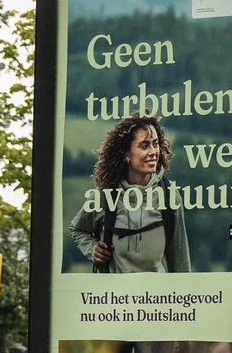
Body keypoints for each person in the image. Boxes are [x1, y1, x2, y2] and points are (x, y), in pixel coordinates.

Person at [72, 114, 192, 275]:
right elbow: (77, 229)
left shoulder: (169, 195)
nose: (153, 152)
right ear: (126, 154)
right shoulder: (106, 195)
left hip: (159, 297)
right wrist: (92, 248)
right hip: (115, 297)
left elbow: (180, 258)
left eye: (155, 144)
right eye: (144, 146)